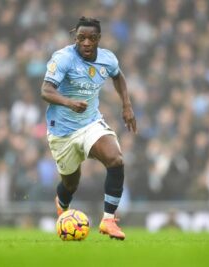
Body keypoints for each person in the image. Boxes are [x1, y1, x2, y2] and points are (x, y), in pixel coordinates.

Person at [41, 17, 137, 240]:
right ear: (76, 37)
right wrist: (69, 102)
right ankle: (62, 201)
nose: (86, 42)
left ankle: (108, 220)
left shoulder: (107, 59)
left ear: (98, 39)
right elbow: (46, 91)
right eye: (81, 38)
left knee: (116, 159)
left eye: (91, 38)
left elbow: (118, 76)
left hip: (90, 123)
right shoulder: (64, 58)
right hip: (62, 131)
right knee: (70, 183)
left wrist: (127, 105)